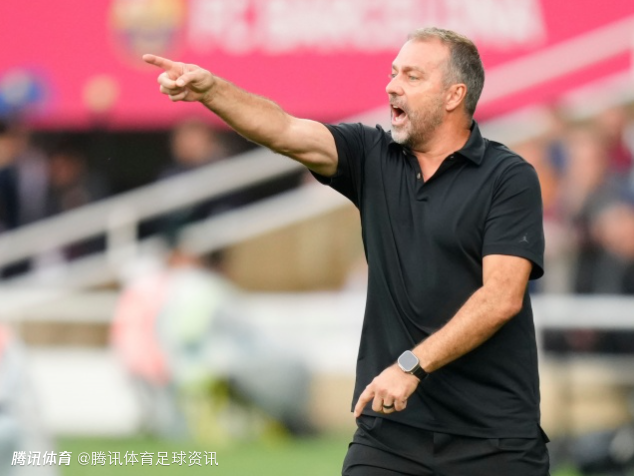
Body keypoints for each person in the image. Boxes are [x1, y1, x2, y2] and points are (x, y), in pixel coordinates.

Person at [145, 26, 548, 476]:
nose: (392, 86)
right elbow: (283, 129)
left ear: (454, 95)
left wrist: (412, 366)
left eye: (412, 76)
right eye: (393, 73)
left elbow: (502, 297)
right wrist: (211, 91)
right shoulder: (372, 154)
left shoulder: (508, 177)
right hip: (391, 432)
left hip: (493, 438)